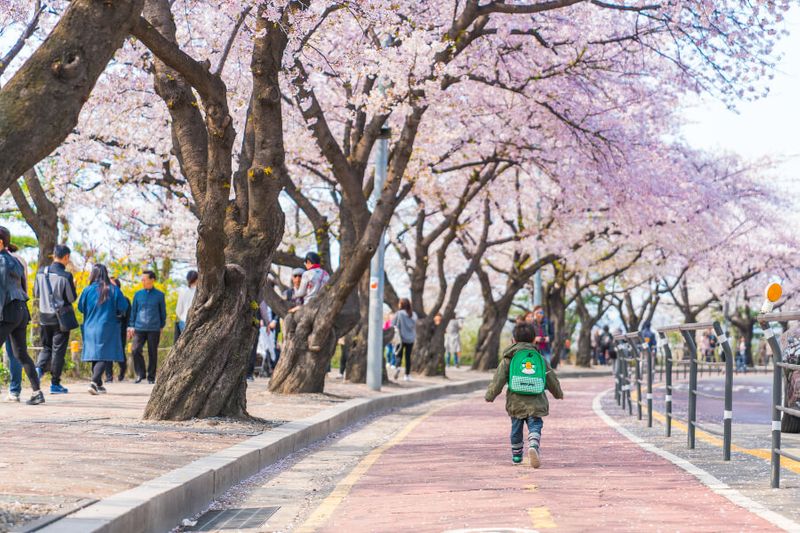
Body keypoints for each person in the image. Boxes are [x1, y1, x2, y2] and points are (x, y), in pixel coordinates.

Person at [485, 322, 563, 467]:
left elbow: (498, 380)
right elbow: (551, 378)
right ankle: (533, 444)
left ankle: (517, 457)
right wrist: (558, 393)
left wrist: (490, 395)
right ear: (534, 340)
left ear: (513, 340)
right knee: (535, 425)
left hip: (516, 402)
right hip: (536, 401)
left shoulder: (508, 359)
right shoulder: (540, 359)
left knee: (516, 429)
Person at [0, 226, 44, 404]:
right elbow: (23, 287)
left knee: (20, 354)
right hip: (21, 311)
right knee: (21, 354)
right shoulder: (15, 260)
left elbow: (1, 291)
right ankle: (37, 392)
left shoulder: (1, 261)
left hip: (8, 310)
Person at [78, 264, 130, 395]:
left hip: (90, 327)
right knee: (104, 355)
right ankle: (94, 382)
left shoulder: (87, 290)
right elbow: (123, 306)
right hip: (107, 326)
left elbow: (80, 307)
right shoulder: (113, 289)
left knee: (96, 354)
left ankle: (99, 384)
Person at [33, 244, 77, 394]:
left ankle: (38, 370)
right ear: (66, 257)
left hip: (44, 316)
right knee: (58, 351)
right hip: (60, 319)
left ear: (53, 255)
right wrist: (74, 286)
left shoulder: (40, 272)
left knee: (46, 347)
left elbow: (36, 293)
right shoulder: (66, 276)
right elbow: (71, 298)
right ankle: (55, 384)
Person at [128, 270, 166, 384]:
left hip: (154, 328)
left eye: (144, 279)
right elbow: (133, 311)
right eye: (142, 279)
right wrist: (131, 325)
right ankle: (140, 373)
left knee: (152, 352)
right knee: (135, 350)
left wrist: (161, 325)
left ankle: (151, 377)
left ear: (152, 280)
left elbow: (162, 312)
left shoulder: (159, 295)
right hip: (139, 327)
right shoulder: (138, 294)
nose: (142, 281)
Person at [4, 244, 26, 402]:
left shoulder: (5, 260)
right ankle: (15, 390)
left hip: (4, 310)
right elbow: (24, 287)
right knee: (15, 353)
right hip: (19, 308)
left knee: (14, 353)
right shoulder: (20, 261)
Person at [105, 278, 131, 382]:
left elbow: (128, 316)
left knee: (119, 352)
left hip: (120, 329)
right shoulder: (104, 298)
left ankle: (123, 369)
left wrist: (129, 328)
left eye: (112, 284)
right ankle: (109, 376)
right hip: (107, 328)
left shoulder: (125, 299)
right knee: (107, 352)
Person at [392, 298, 417, 381]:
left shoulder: (399, 314)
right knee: (408, 357)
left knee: (399, 355)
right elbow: (414, 325)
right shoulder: (413, 315)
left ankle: (398, 367)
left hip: (400, 338)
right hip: (410, 338)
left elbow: (393, 324)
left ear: (401, 304)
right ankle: (407, 375)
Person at [175, 270, 198, 339]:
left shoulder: (182, 291)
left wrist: (183, 316)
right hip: (196, 320)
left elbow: (178, 310)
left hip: (183, 321)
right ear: (198, 279)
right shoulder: (200, 292)